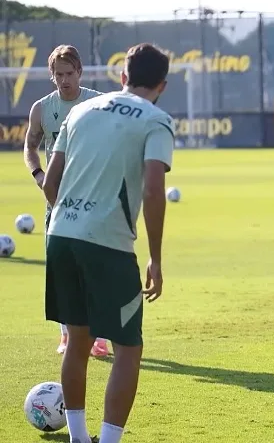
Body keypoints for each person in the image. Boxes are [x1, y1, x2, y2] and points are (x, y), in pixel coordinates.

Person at [42, 43, 174, 443]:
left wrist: (74, 217)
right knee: (128, 348)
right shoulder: (157, 119)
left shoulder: (80, 111)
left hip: (60, 235)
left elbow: (50, 185)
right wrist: (154, 257)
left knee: (77, 341)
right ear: (162, 85)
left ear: (122, 76)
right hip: (108, 244)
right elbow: (154, 190)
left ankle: (78, 438)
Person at [23, 44, 107, 357]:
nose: (64, 80)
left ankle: (98, 336)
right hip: (56, 202)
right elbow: (30, 146)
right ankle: (66, 336)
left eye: (69, 73)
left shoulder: (97, 103)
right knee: (61, 272)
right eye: (58, 75)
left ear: (79, 73)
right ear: (52, 76)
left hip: (93, 201)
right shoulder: (42, 109)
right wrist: (39, 175)